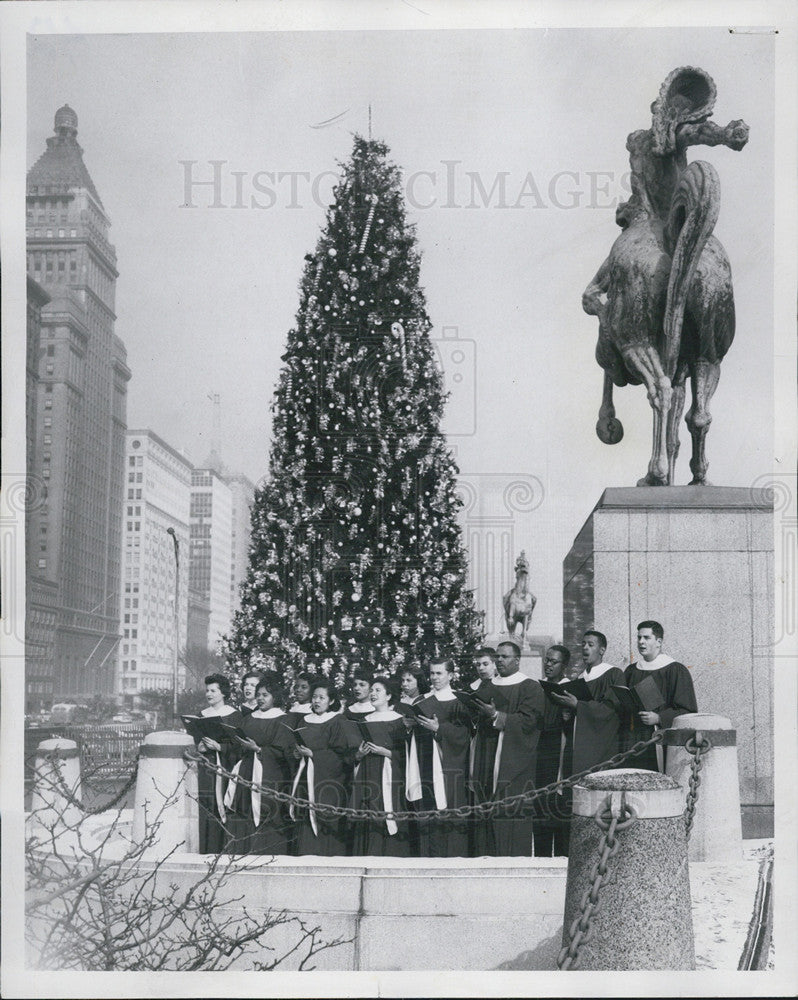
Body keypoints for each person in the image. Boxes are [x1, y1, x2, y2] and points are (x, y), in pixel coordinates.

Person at [469, 640, 544, 857]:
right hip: (485, 754)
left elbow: (530, 722)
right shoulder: (486, 685)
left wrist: (496, 716)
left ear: (517, 660)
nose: (499, 660)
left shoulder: (530, 686)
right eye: (497, 657)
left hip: (512, 761)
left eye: (504, 657)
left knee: (509, 814)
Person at [405, 657, 472, 857]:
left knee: (449, 811)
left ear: (450, 675)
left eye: (439, 673)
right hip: (425, 764)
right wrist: (410, 726)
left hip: (449, 766)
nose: (434, 677)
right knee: (428, 810)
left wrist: (439, 729)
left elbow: (465, 735)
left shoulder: (459, 701)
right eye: (432, 673)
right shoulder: (422, 700)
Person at [224, 674, 293, 854]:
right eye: (259, 694)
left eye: (265, 695)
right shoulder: (248, 718)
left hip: (270, 774)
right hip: (246, 772)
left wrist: (259, 750)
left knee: (267, 813)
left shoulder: (282, 720)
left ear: (275, 697)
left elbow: (282, 751)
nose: (261, 698)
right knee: (243, 813)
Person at [620, 620, 698, 771]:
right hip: (632, 740)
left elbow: (687, 711)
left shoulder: (676, 670)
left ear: (659, 641)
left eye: (647, 638)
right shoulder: (631, 671)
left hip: (660, 740)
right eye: (639, 637)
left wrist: (659, 718)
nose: (641, 642)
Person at [289, 679, 351, 856]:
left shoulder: (337, 720)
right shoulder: (304, 720)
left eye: (321, 697)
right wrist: (297, 754)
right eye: (314, 697)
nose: (316, 701)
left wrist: (314, 755)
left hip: (328, 782)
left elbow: (341, 755)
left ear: (331, 701)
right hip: (304, 779)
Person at [350, 676, 410, 857]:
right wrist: (359, 754)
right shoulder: (365, 720)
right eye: (372, 690)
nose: (373, 694)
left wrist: (387, 753)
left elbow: (408, 755)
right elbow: (353, 754)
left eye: (378, 690)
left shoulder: (399, 720)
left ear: (389, 695)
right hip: (367, 774)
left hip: (390, 775)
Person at [551, 630, 623, 777]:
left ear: (602, 650)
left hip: (603, 745)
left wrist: (578, 705)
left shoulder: (614, 674)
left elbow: (611, 710)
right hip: (580, 743)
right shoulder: (580, 678)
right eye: (583, 644)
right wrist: (569, 715)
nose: (585, 648)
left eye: (590, 645)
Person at [193, 673, 244, 854]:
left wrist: (220, 747)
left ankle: (224, 849)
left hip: (226, 768)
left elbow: (239, 745)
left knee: (223, 804)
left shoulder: (234, 715)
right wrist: (199, 748)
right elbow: (196, 742)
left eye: (213, 690)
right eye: (207, 690)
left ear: (223, 693)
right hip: (206, 769)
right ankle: (206, 849)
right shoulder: (201, 715)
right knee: (206, 805)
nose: (209, 694)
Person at [533, 645, 571, 857]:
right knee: (540, 812)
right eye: (546, 660)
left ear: (563, 666)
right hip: (540, 756)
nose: (548, 665)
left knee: (557, 810)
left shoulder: (569, 689)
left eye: (553, 662)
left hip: (558, 755)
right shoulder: (540, 687)